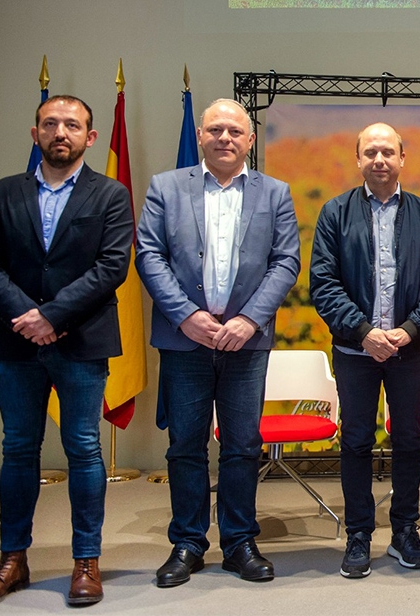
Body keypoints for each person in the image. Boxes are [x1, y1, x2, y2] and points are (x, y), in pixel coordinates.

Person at [0, 95, 132, 609]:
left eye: (73, 125)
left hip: (81, 343)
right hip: (15, 343)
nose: (61, 132)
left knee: (83, 448)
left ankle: (86, 561)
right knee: (18, 449)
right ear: (34, 132)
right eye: (51, 123)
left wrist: (53, 316)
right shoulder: (5, 192)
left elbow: (111, 268)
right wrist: (28, 317)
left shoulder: (111, 194)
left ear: (91, 137)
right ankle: (12, 560)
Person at [136, 99, 300, 587]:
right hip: (184, 341)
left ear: (250, 140)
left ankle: (239, 542)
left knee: (243, 444)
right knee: (184, 444)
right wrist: (186, 316)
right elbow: (148, 253)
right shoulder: (166, 187)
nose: (225, 138)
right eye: (215, 130)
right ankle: (187, 542)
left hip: (246, 344)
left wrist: (249, 320)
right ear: (201, 136)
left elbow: (286, 261)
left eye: (235, 131)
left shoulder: (275, 193)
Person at [309, 122, 420, 580]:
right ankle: (358, 535)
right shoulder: (334, 213)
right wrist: (363, 332)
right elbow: (323, 283)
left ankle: (405, 531)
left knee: (409, 440)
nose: (379, 159)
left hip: (409, 350)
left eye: (388, 151)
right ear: (358, 160)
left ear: (402, 158)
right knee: (355, 442)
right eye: (370, 152)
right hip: (356, 352)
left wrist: (408, 331)